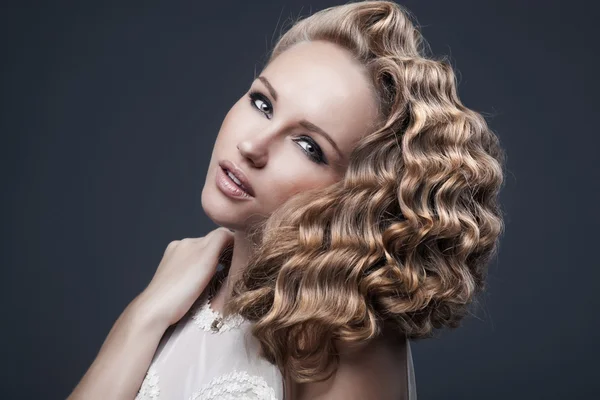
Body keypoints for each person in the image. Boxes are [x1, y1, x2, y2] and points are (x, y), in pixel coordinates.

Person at [68, 1, 505, 399]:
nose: (253, 146)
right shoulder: (182, 291)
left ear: (355, 195)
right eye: (261, 103)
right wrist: (143, 315)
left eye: (308, 146)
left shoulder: (345, 339)